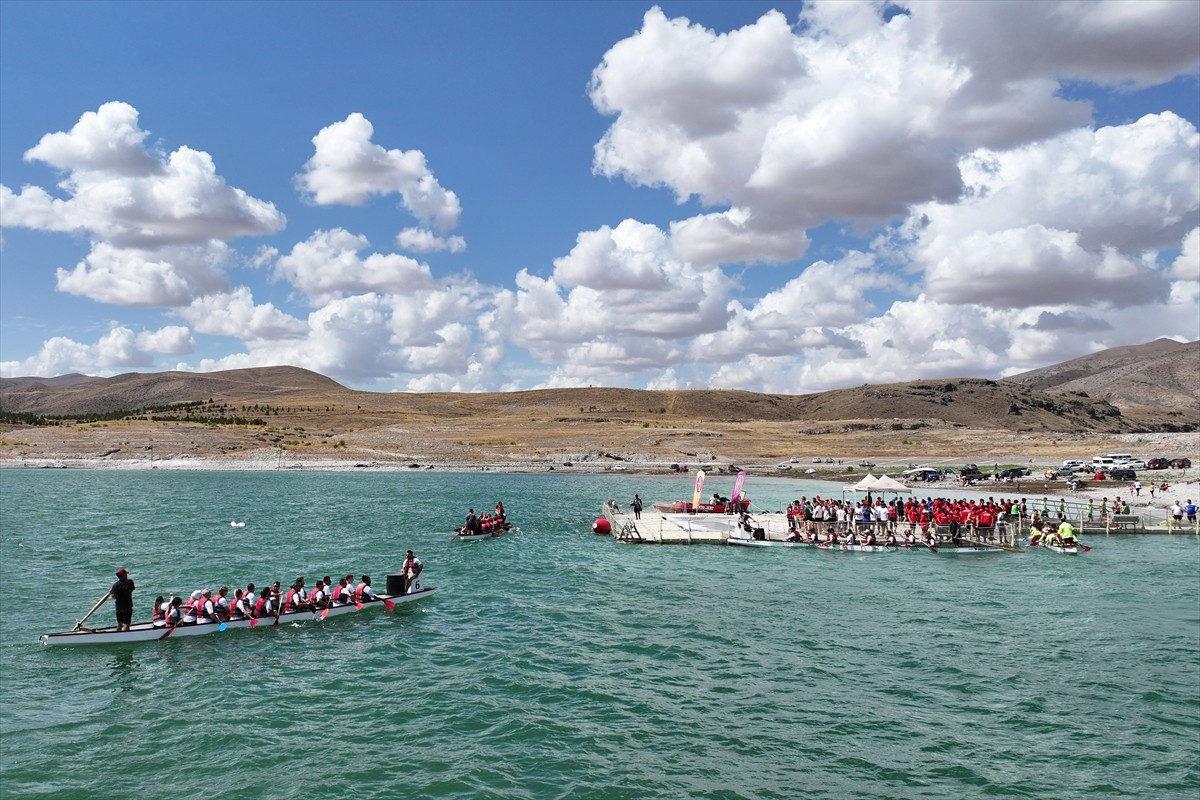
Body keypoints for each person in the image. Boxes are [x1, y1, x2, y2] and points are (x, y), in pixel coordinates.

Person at [110, 568, 135, 632]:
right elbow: (132, 589)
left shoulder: (115, 585)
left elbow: (114, 597)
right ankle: (126, 635)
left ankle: (117, 635)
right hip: (127, 606)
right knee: (127, 624)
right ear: (124, 575)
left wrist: (113, 593)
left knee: (120, 623)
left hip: (119, 607)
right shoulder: (130, 582)